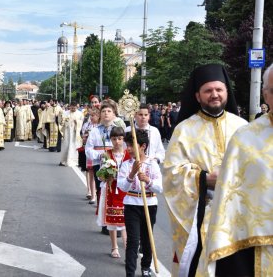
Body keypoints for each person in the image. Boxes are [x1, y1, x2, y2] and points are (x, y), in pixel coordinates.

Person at [163, 64, 248, 276]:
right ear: (198, 96)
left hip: (240, 218)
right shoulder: (184, 130)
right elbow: (171, 174)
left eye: (219, 89)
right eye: (208, 91)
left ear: (227, 92)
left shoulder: (243, 127)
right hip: (202, 217)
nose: (214, 95)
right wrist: (204, 179)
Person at [198, 64, 273, 276]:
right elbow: (229, 204)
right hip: (259, 245)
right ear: (265, 95)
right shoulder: (246, 138)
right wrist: (201, 178)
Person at [117, 130, 163, 277]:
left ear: (143, 146)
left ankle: (145, 267)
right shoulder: (126, 165)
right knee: (133, 240)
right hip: (131, 204)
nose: (128, 148)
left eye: (131, 145)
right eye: (127, 145)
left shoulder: (152, 164)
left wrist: (148, 180)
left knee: (147, 238)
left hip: (149, 204)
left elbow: (160, 187)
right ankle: (130, 273)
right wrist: (132, 174)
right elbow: (122, 187)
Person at [96, 126, 130, 259]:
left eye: (120, 139)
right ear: (111, 139)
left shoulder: (128, 154)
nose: (117, 142)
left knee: (126, 219)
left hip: (125, 190)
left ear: (124, 139)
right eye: (114, 139)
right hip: (111, 188)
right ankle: (114, 246)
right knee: (112, 219)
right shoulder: (106, 154)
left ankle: (127, 244)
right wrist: (106, 175)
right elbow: (100, 176)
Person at [80, 108, 100, 203]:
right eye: (90, 115)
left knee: (98, 174)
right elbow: (83, 135)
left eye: (93, 115)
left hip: (98, 152)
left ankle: (98, 193)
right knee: (90, 173)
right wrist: (84, 138)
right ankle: (92, 195)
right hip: (90, 152)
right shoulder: (87, 125)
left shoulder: (100, 127)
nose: (91, 117)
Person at [59, 101, 83, 166]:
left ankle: (74, 161)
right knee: (66, 145)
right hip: (67, 131)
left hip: (75, 132)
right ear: (70, 107)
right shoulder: (66, 113)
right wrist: (64, 121)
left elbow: (81, 122)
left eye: (74, 108)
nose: (72, 109)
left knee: (74, 146)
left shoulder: (80, 114)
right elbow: (62, 122)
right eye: (71, 108)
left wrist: (77, 122)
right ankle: (63, 161)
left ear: (76, 107)